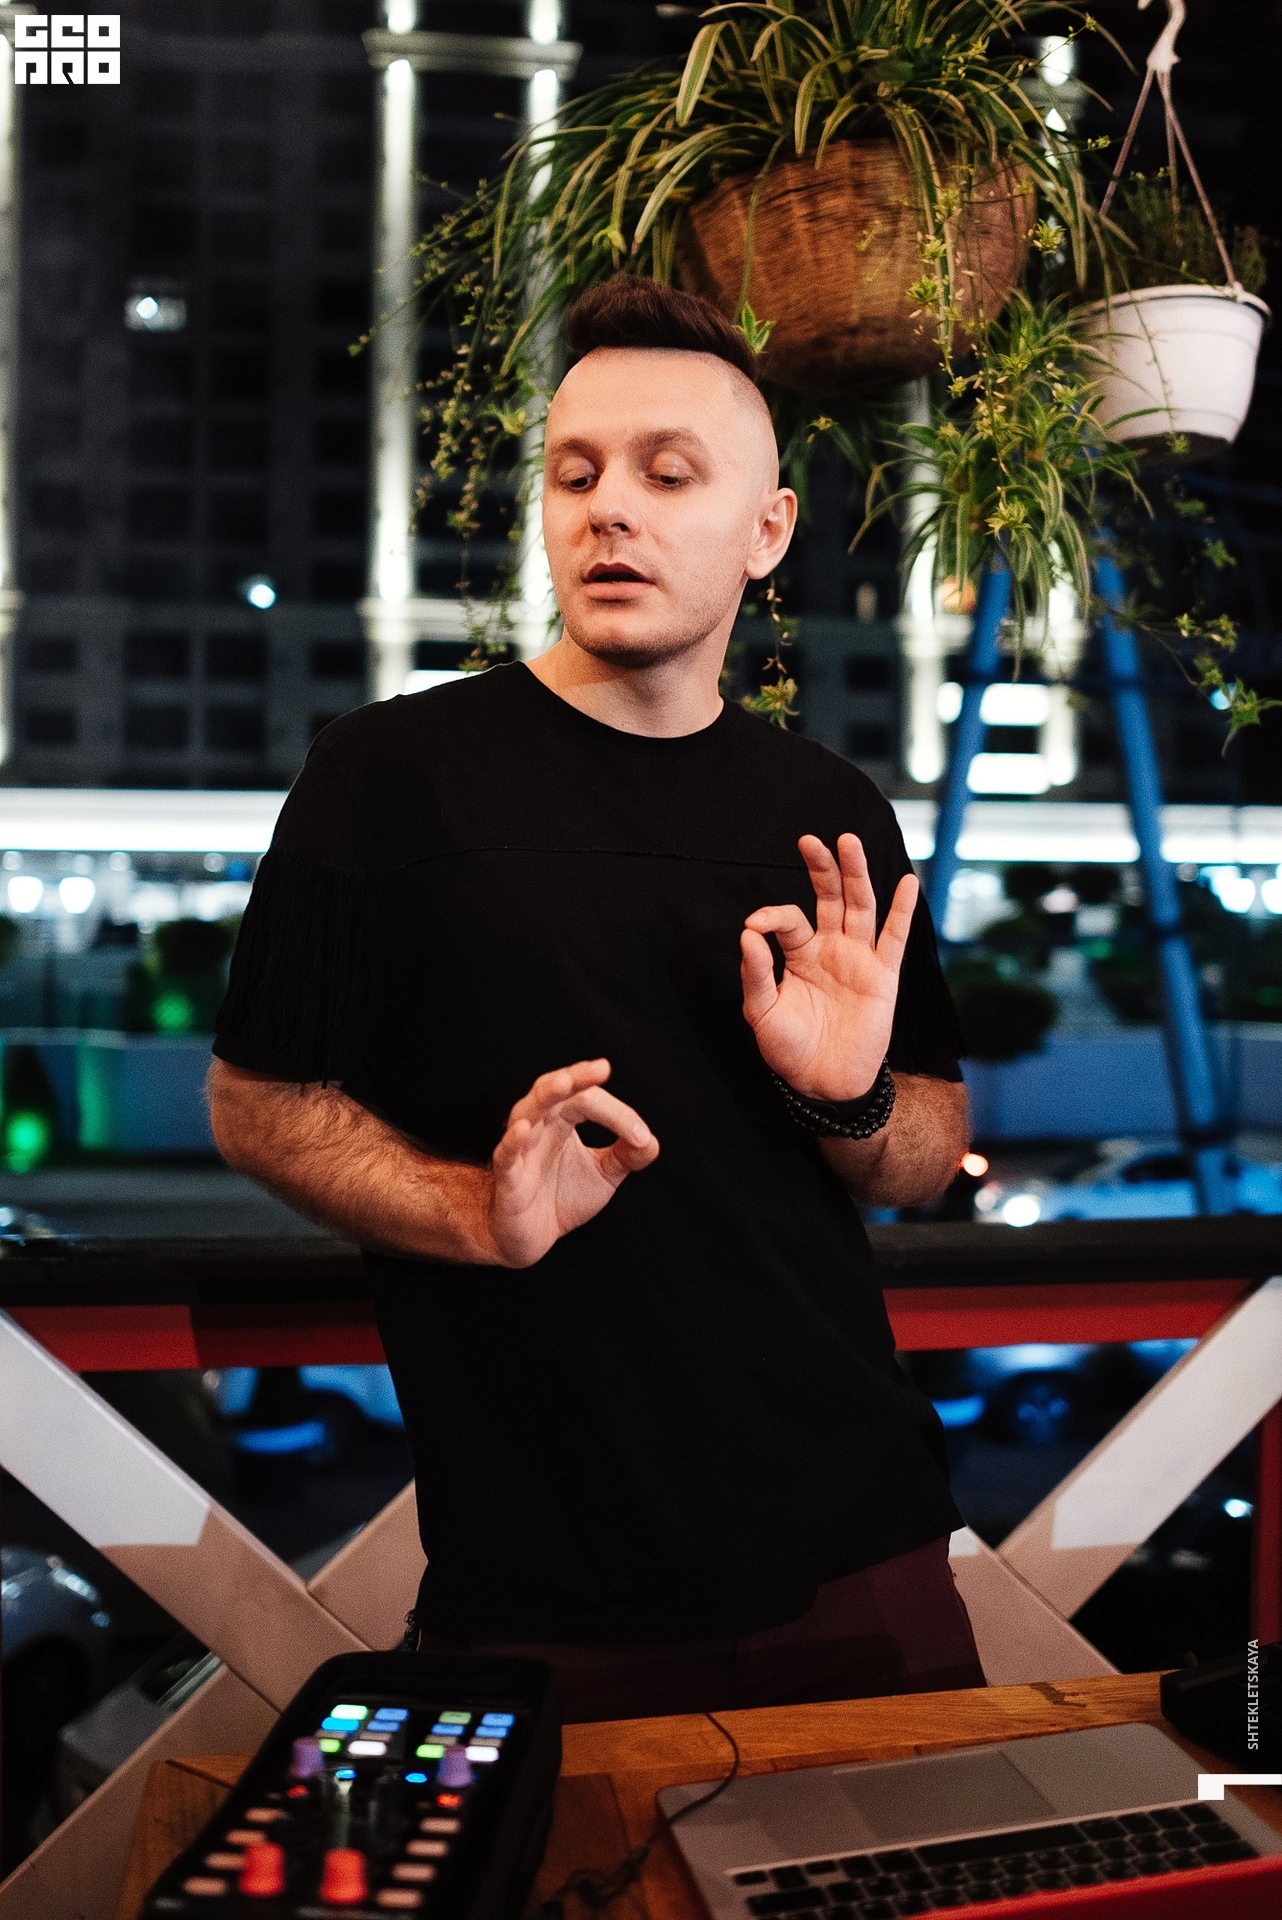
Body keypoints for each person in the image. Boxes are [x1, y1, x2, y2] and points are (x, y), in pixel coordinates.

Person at [209, 275, 984, 1721]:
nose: (607, 508)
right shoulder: (389, 776)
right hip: (544, 1576)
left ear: (766, 532)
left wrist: (848, 1099)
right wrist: (471, 1212)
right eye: (575, 474)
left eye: (666, 474)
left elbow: (926, 1149)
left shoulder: (832, 811)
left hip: (865, 1543)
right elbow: (259, 1102)